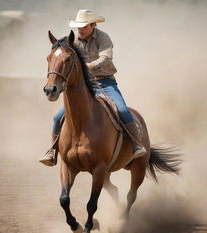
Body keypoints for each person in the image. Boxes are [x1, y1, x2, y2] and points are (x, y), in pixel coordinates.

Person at [39, 9, 146, 166]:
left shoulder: (103, 38)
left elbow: (106, 57)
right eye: (78, 27)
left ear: (93, 25)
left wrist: (89, 66)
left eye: (84, 27)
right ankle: (52, 151)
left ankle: (136, 144)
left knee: (122, 110)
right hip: (84, 85)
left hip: (106, 82)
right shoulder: (72, 41)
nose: (80, 30)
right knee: (57, 117)